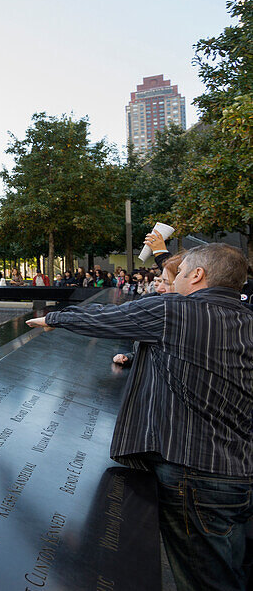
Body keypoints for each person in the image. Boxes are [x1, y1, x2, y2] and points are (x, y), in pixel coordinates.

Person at [27, 244, 253, 590]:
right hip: (241, 471)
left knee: (206, 580)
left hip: (194, 472)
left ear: (197, 275)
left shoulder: (174, 312)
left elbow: (106, 319)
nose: (170, 281)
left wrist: (54, 318)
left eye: (180, 272)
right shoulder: (246, 318)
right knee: (234, 568)